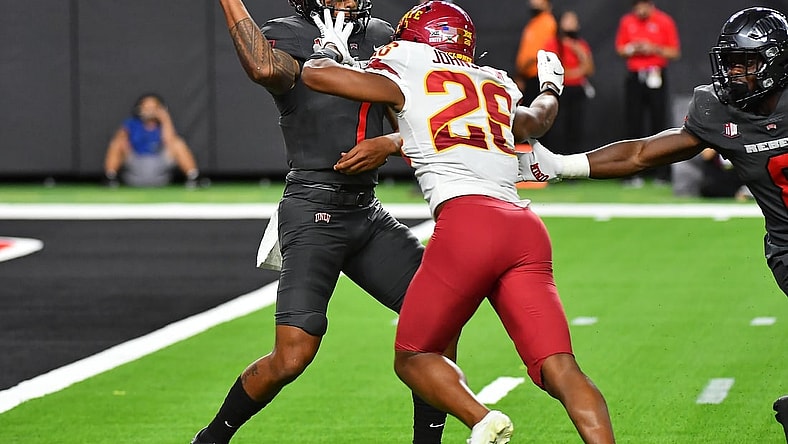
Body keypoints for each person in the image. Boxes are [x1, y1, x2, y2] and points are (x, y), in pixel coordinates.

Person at [302, 2, 615, 443]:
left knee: (413, 356)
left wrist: (330, 51)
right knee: (561, 367)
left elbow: (316, 75)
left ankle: (482, 418)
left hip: (469, 221)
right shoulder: (494, 80)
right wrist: (551, 87)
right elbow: (538, 121)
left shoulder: (407, 62)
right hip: (524, 227)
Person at [518, 7, 788, 441]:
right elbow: (642, 153)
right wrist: (564, 165)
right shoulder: (719, 109)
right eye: (730, 62)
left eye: (746, 63)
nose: (734, 73)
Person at [190, 1, 453, 443]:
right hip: (314, 208)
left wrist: (388, 144)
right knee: (292, 356)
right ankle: (211, 439)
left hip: (366, 210)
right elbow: (264, 68)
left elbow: (418, 116)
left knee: (439, 321)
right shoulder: (289, 32)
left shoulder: (381, 34)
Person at [615, 0, 680, 187]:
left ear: (650, 4)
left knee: (658, 124)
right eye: (636, 7)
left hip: (655, 74)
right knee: (633, 124)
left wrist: (653, 48)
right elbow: (620, 49)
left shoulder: (664, 21)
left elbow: (674, 52)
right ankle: (631, 173)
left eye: (642, 6)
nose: (639, 10)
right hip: (635, 76)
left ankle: (662, 173)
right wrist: (633, 48)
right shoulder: (627, 21)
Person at [103, 93, 201, 188]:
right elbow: (119, 138)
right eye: (146, 107)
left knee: (178, 143)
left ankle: (193, 178)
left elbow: (170, 141)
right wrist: (125, 142)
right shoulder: (132, 124)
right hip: (136, 165)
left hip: (159, 167)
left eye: (153, 107)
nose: (150, 110)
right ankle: (110, 178)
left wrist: (165, 118)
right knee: (117, 143)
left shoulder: (163, 125)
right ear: (140, 109)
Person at [542, 10, 595, 155]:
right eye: (567, 20)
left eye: (573, 21)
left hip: (577, 90)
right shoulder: (552, 43)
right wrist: (577, 71)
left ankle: (574, 159)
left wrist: (579, 52)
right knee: (556, 127)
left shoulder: (581, 45)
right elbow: (552, 70)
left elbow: (589, 69)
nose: (570, 24)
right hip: (558, 90)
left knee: (575, 126)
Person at [514, 0, 557, 105]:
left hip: (538, 76)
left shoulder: (547, 21)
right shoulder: (533, 22)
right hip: (528, 76)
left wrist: (521, 72)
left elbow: (538, 53)